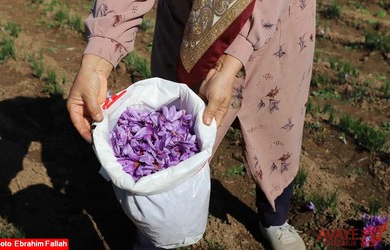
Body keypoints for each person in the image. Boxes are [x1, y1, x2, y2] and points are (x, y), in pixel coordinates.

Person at [67, 0, 316, 249]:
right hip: (192, 27)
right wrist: (97, 63)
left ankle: (274, 218)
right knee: (179, 129)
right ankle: (155, 233)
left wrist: (229, 62)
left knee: (278, 128)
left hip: (276, 26)